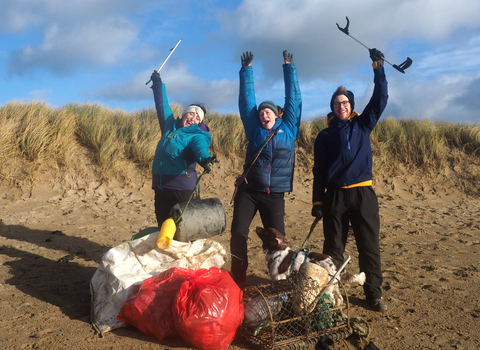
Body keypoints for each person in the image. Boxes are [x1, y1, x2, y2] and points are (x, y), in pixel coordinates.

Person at [312, 48, 388, 312]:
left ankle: (373, 294)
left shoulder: (363, 124)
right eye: (337, 103)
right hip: (334, 197)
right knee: (333, 248)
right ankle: (332, 293)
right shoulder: (324, 135)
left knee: (369, 246)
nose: (341, 106)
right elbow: (318, 170)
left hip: (362, 195)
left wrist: (378, 67)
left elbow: (380, 99)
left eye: (345, 103)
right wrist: (318, 201)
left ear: (351, 105)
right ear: (332, 107)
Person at [230, 50, 302, 287]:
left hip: (275, 195)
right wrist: (246, 70)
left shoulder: (289, 128)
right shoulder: (255, 130)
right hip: (249, 191)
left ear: (276, 114)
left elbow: (294, 100)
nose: (263, 114)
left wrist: (288, 67)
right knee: (238, 234)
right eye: (261, 112)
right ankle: (238, 280)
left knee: (279, 243)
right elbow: (246, 101)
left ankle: (281, 283)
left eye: (267, 111)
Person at [150, 70, 215, 228]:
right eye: (190, 113)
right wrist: (158, 83)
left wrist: (205, 159)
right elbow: (162, 105)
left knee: (186, 231)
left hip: (183, 189)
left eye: (197, 117)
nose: (193, 117)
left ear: (199, 123)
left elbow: (200, 149)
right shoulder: (169, 125)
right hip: (161, 187)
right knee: (163, 229)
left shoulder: (197, 135)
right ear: (184, 114)